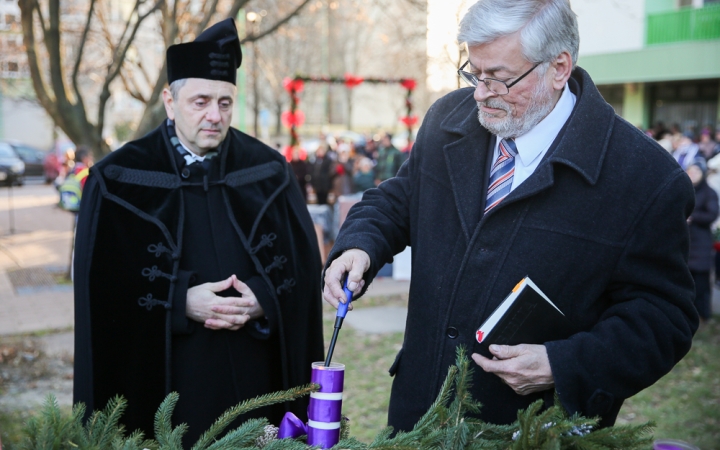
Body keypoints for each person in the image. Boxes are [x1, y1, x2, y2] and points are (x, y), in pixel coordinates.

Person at [323, 0, 697, 433]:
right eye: (473, 73)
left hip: (529, 432)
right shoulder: (448, 118)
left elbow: (663, 320)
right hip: (417, 414)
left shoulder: (645, 178)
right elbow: (400, 199)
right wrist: (360, 244)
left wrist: (562, 364)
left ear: (559, 68)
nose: (481, 93)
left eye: (499, 78)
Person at [73, 19, 324, 447]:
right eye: (201, 101)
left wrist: (263, 299)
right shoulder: (118, 180)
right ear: (169, 101)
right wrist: (177, 302)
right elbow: (101, 289)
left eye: (225, 103)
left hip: (255, 379)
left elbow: (301, 267)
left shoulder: (268, 171)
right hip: (171, 384)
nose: (215, 115)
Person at [686, 158, 718, 323]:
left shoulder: (709, 192)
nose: (691, 174)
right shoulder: (684, 189)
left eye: (695, 171)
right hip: (687, 242)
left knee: (701, 283)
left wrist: (693, 217)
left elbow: (712, 214)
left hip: (701, 243)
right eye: (689, 171)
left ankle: (704, 315)